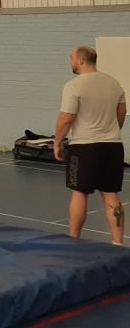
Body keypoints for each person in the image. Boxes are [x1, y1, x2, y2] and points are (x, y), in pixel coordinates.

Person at [54, 45, 126, 245]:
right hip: (113, 146)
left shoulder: (74, 85)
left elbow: (66, 119)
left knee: (79, 193)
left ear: (80, 60)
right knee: (111, 194)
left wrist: (57, 142)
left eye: (71, 58)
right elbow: (121, 113)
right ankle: (118, 244)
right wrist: (110, 132)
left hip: (84, 148)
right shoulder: (114, 83)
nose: (70, 61)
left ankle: (74, 241)